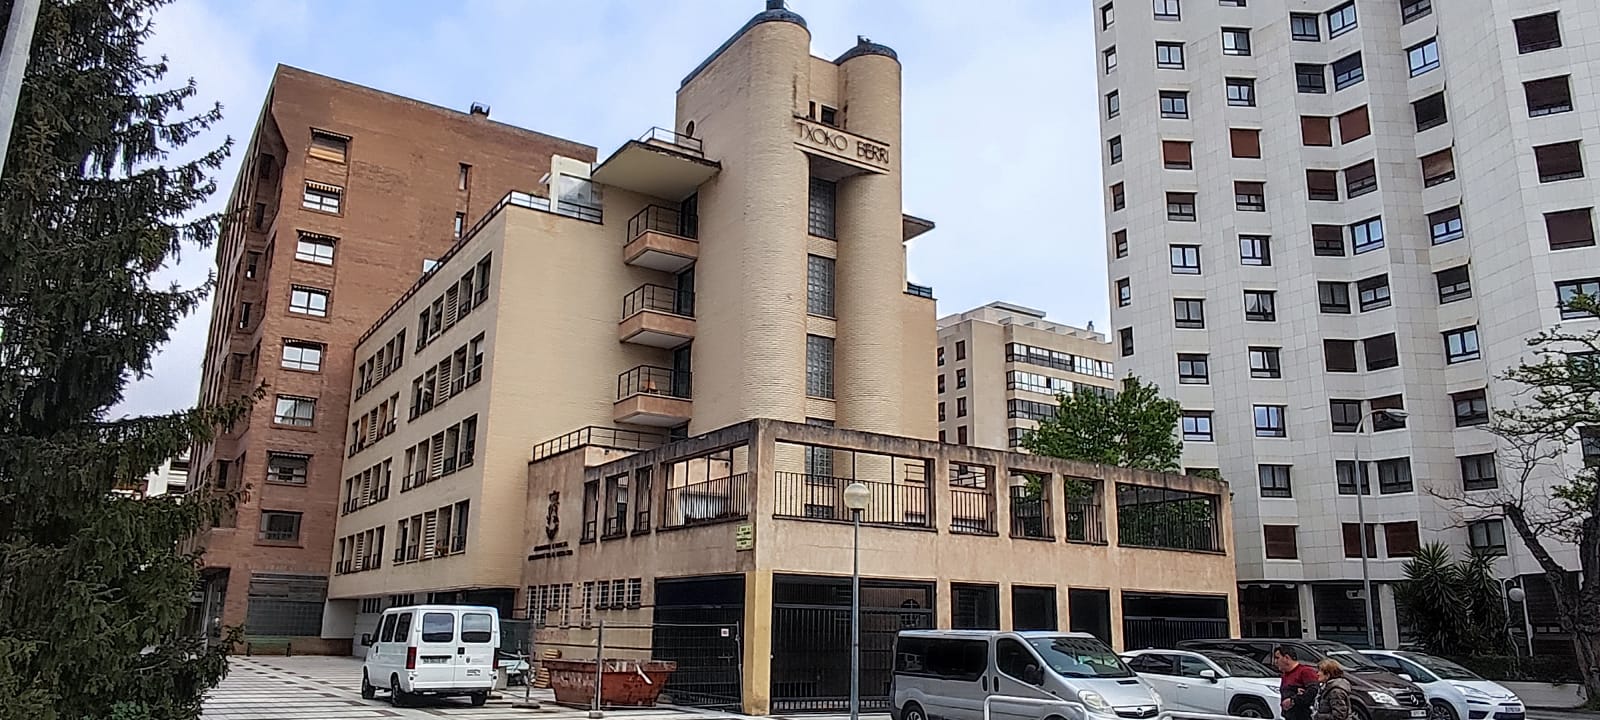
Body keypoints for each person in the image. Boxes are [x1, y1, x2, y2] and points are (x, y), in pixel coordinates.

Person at [1273, 645, 1321, 720]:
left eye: (1277, 658)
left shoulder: (1305, 671)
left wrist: (1293, 700)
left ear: (1286, 658)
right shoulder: (1285, 674)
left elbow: (1313, 691)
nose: (1275, 662)